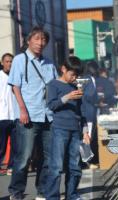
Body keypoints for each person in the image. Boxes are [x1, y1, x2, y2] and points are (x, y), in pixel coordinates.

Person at [8, 26, 58, 200]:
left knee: (47, 157)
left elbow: (55, 86)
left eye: (43, 39)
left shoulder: (49, 63)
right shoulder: (20, 60)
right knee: (24, 157)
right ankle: (16, 191)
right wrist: (22, 110)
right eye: (36, 39)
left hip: (48, 115)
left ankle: (42, 191)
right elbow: (15, 87)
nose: (40, 43)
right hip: (28, 115)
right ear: (29, 41)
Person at [46, 56, 90, 200]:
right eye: (72, 74)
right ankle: (52, 196)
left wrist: (85, 131)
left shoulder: (76, 86)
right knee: (56, 166)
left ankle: (72, 194)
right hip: (59, 129)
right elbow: (51, 105)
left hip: (76, 130)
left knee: (75, 166)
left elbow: (81, 111)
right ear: (63, 69)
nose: (74, 78)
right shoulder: (53, 85)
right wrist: (67, 97)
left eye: (77, 75)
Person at [0, 53, 16, 176]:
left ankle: (11, 166)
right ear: (2, 62)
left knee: (16, 144)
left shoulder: (16, 76)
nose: (9, 63)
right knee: (2, 145)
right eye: (7, 61)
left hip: (15, 116)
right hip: (2, 115)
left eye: (11, 61)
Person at [82, 61, 100, 166]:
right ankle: (85, 160)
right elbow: (90, 95)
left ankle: (85, 160)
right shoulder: (90, 79)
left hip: (84, 111)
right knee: (88, 137)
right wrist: (97, 98)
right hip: (89, 112)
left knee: (85, 136)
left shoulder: (83, 78)